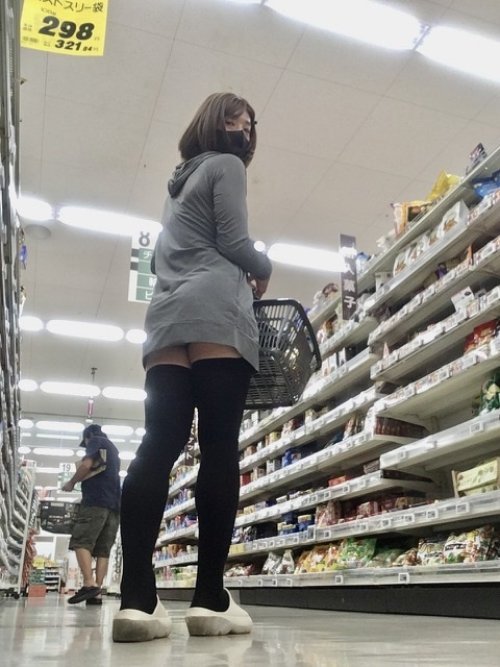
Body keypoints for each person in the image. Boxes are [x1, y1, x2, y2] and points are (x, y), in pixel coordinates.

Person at [113, 92, 272, 642]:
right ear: (211, 123)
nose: (243, 130)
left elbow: (166, 257)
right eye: (233, 119)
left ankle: (137, 601)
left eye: (249, 124)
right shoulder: (227, 166)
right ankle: (209, 598)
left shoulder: (176, 185)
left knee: (159, 444)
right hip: (214, 315)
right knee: (219, 446)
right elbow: (234, 240)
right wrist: (264, 264)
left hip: (165, 317)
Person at [62, 423, 121, 605]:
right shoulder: (114, 450)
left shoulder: (95, 440)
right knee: (103, 550)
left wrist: (71, 482)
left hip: (95, 502)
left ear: (88, 436)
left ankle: (89, 583)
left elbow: (87, 464)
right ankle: (97, 592)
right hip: (114, 505)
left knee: (81, 541)